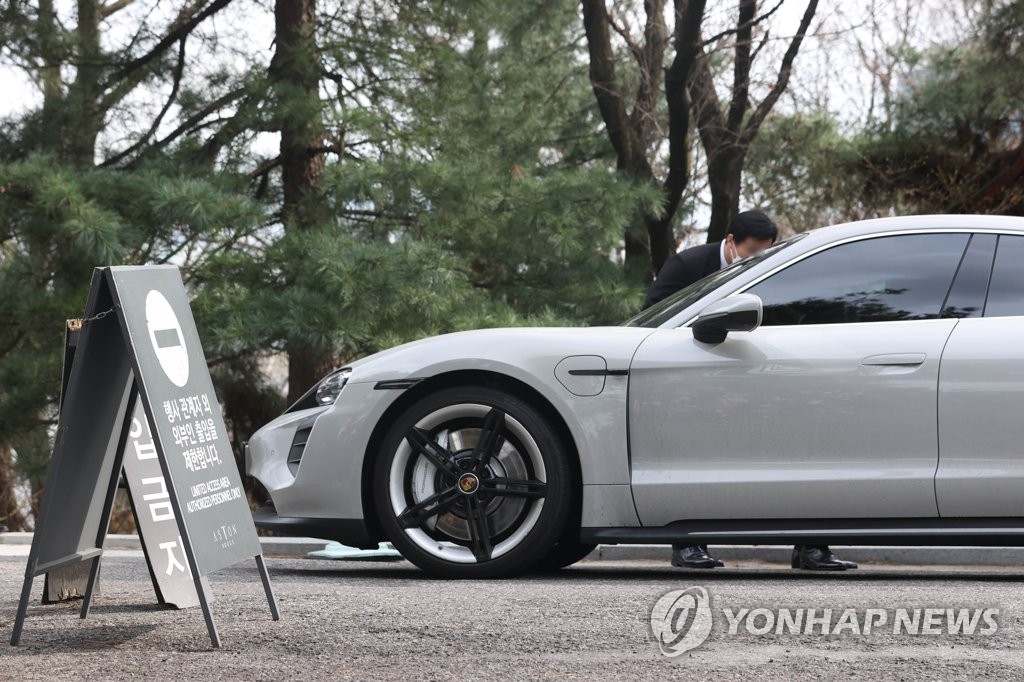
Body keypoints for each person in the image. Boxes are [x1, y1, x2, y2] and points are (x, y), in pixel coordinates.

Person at [643, 209, 858, 572]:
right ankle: (688, 545)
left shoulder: (772, 269)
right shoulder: (686, 265)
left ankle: (812, 547)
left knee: (800, 451)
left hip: (761, 376)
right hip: (698, 378)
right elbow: (654, 318)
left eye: (765, 251)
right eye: (752, 251)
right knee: (694, 456)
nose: (758, 260)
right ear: (730, 241)